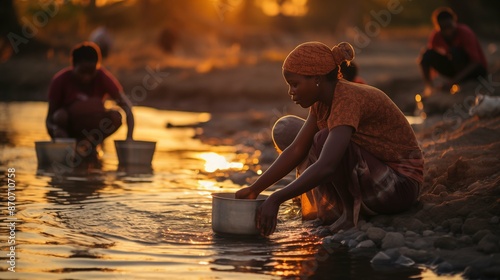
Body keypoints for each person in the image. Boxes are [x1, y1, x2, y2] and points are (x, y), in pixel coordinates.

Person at [236, 41, 423, 236]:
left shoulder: (347, 99)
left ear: (317, 78)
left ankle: (350, 216)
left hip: (399, 186)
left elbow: (327, 165)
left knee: (324, 139)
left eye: (295, 84)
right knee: (292, 130)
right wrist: (254, 189)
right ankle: (340, 206)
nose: (291, 92)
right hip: (373, 172)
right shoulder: (322, 102)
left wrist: (276, 198)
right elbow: (297, 149)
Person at [45, 41, 134, 160]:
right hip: (69, 131)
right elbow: (49, 119)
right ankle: (71, 148)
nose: (86, 77)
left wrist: (129, 139)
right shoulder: (60, 80)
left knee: (116, 116)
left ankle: (91, 145)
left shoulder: (102, 77)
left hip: (94, 131)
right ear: (73, 66)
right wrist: (55, 131)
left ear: (97, 66)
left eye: (91, 72)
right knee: (59, 116)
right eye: (82, 72)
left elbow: (127, 108)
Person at [419, 7, 487, 95]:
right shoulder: (436, 35)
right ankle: (429, 88)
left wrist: (453, 81)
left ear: (454, 22)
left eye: (449, 26)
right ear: (437, 26)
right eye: (443, 28)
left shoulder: (465, 32)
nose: (447, 31)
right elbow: (429, 56)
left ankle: (461, 84)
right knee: (426, 54)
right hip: (457, 69)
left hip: (476, 71)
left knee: (454, 52)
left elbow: (476, 62)